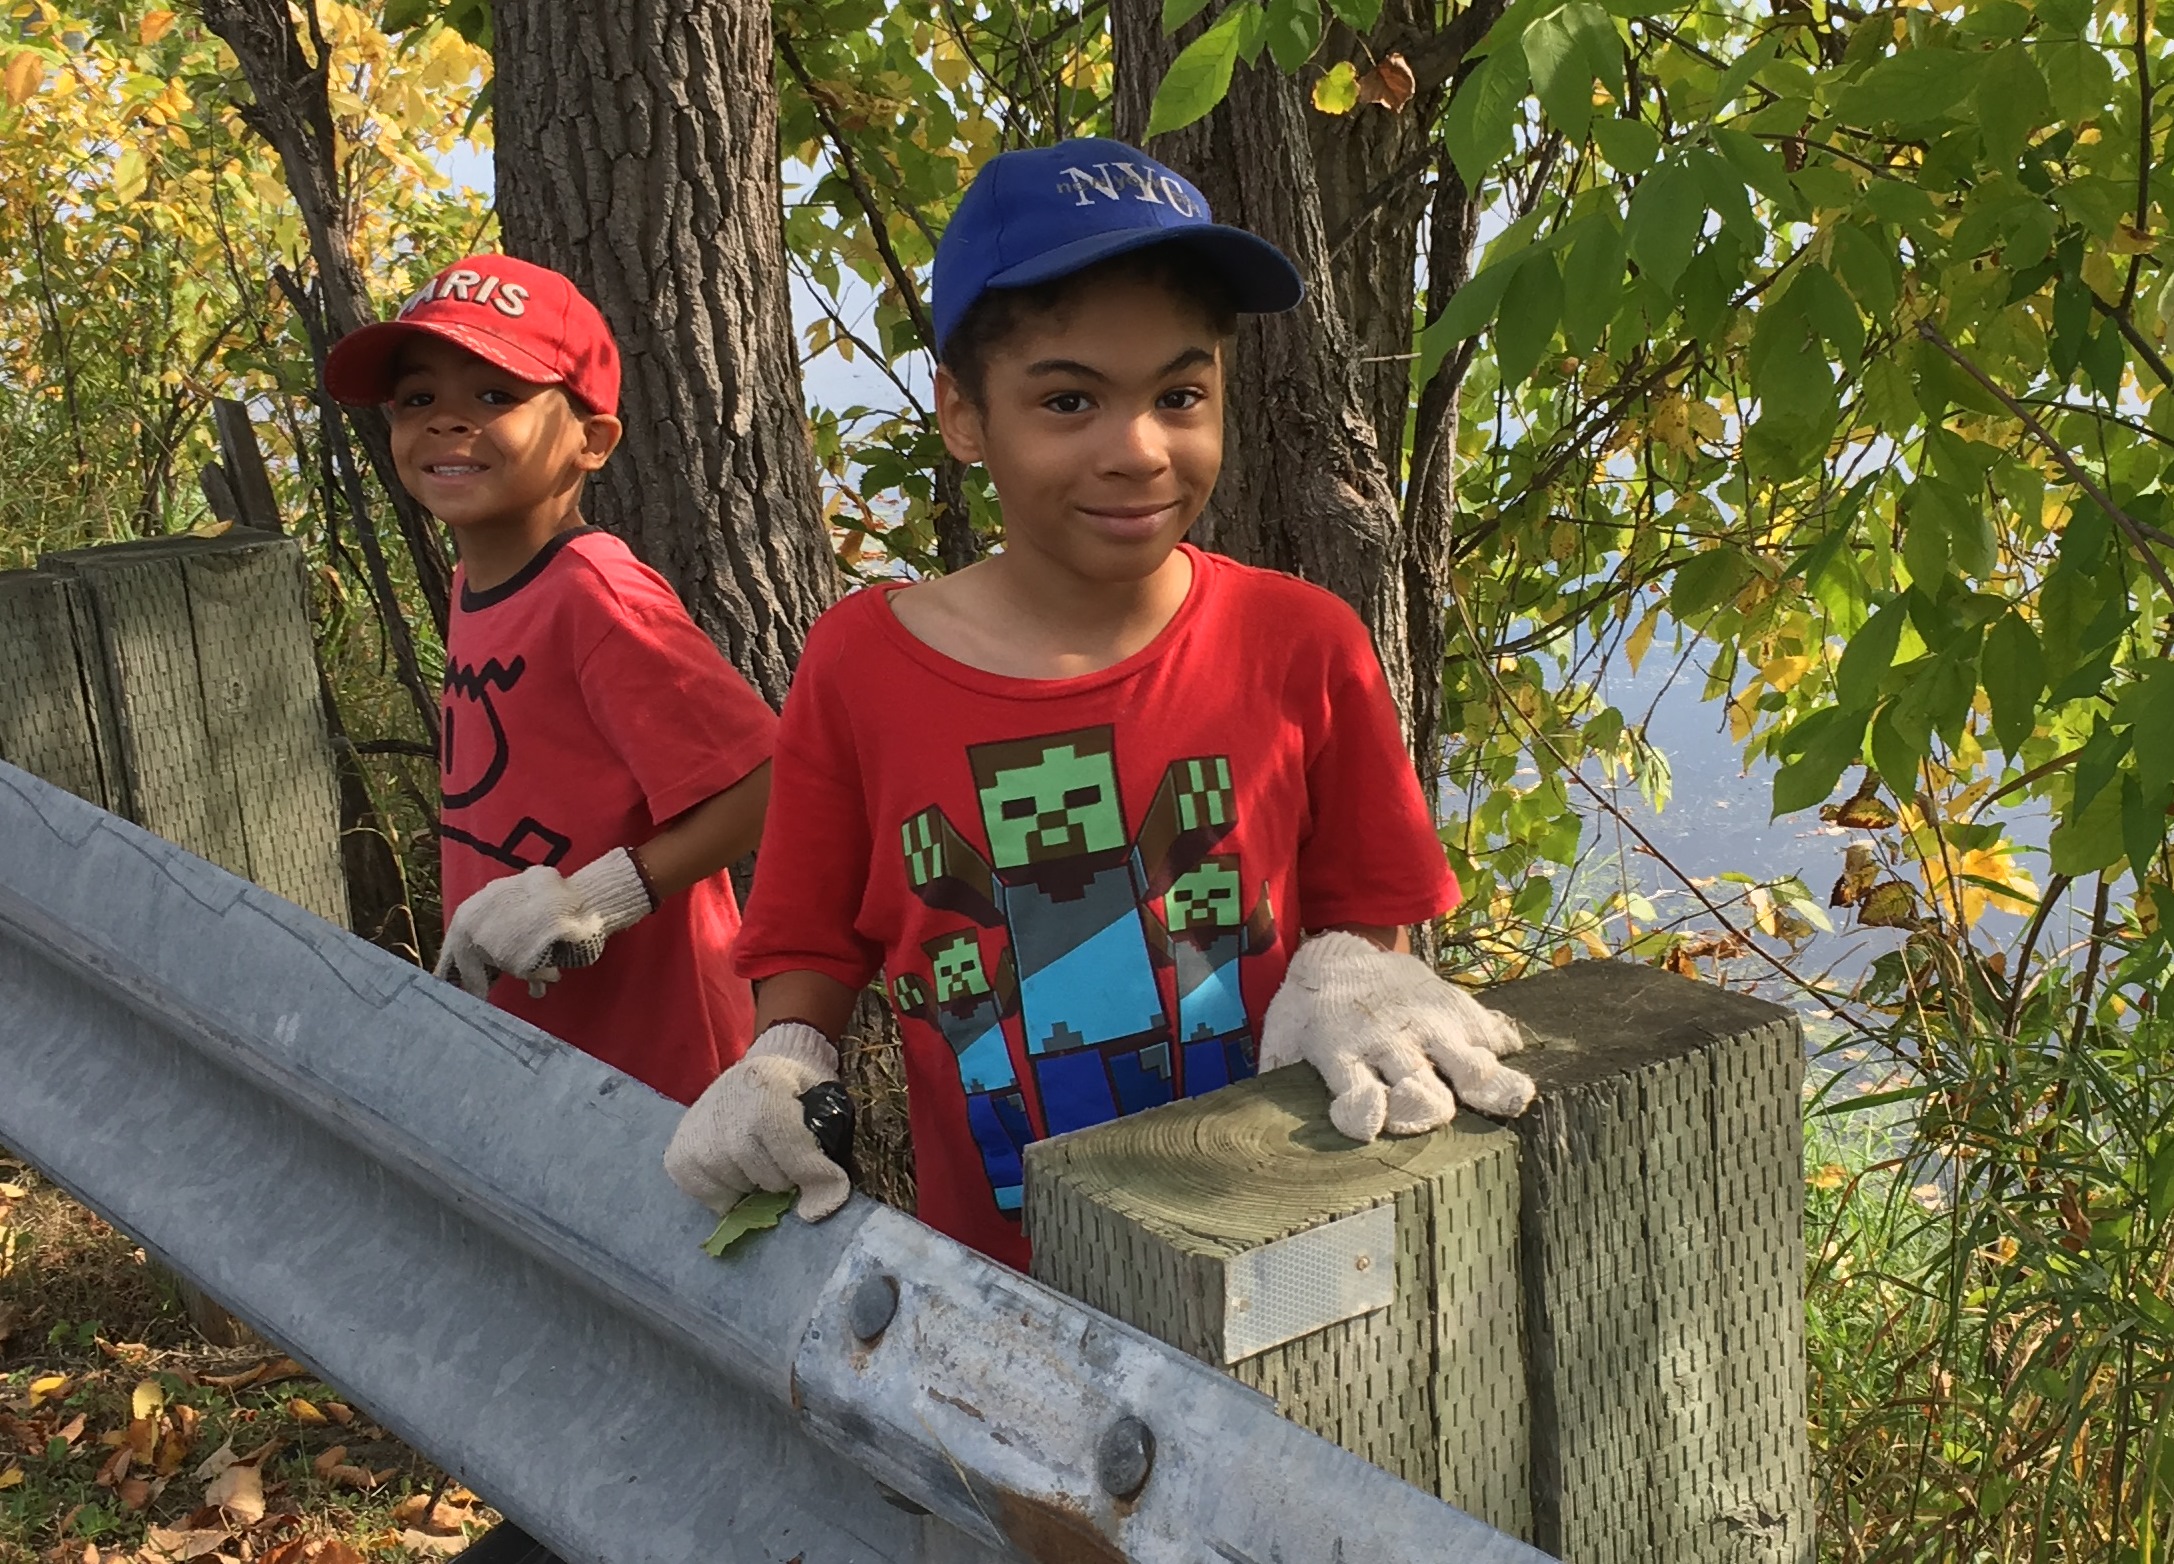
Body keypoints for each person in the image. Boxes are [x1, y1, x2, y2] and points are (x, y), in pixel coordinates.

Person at [663, 140, 1533, 1271]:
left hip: (1287, 1249)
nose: (1136, 451)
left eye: (1179, 394)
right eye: (1067, 399)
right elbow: (809, 934)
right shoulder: (861, 666)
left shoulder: (1301, 644)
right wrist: (783, 1054)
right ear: (964, 415)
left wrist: (1358, 976)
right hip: (1006, 1273)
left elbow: (1365, 921)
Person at [325, 253, 778, 1110]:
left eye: (496, 396)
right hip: (542, 1041)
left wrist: (595, 900)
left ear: (591, 440)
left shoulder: (595, 595)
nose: (447, 422)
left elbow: (766, 780)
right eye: (417, 399)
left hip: (657, 1066)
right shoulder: (478, 582)